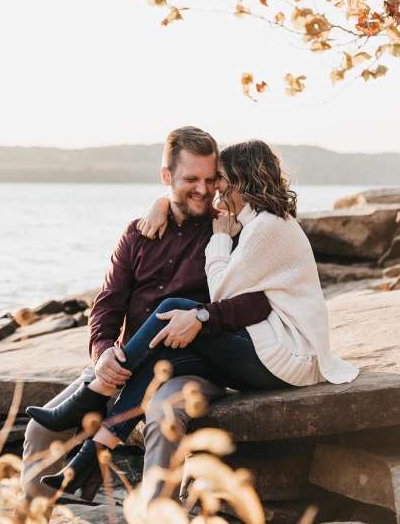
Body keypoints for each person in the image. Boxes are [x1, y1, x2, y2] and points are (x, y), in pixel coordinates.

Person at [28, 138, 360, 495]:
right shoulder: (139, 234)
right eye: (191, 180)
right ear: (166, 176)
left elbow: (259, 302)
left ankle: (156, 515)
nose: (204, 190)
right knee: (39, 429)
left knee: (162, 414)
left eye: (211, 179)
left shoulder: (230, 228)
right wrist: (103, 351)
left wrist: (202, 317)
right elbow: (107, 303)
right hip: (126, 360)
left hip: (194, 362)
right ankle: (35, 512)